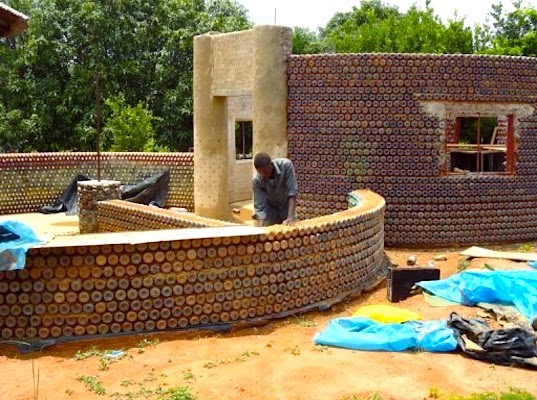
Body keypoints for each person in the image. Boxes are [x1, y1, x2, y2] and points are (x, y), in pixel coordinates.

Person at [252, 152, 298, 227]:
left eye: (265, 171)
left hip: (286, 206)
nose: (264, 174)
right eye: (261, 172)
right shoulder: (257, 180)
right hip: (271, 209)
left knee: (291, 232)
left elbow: (292, 192)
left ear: (271, 164)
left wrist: (290, 217)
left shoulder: (286, 165)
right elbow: (260, 206)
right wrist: (260, 228)